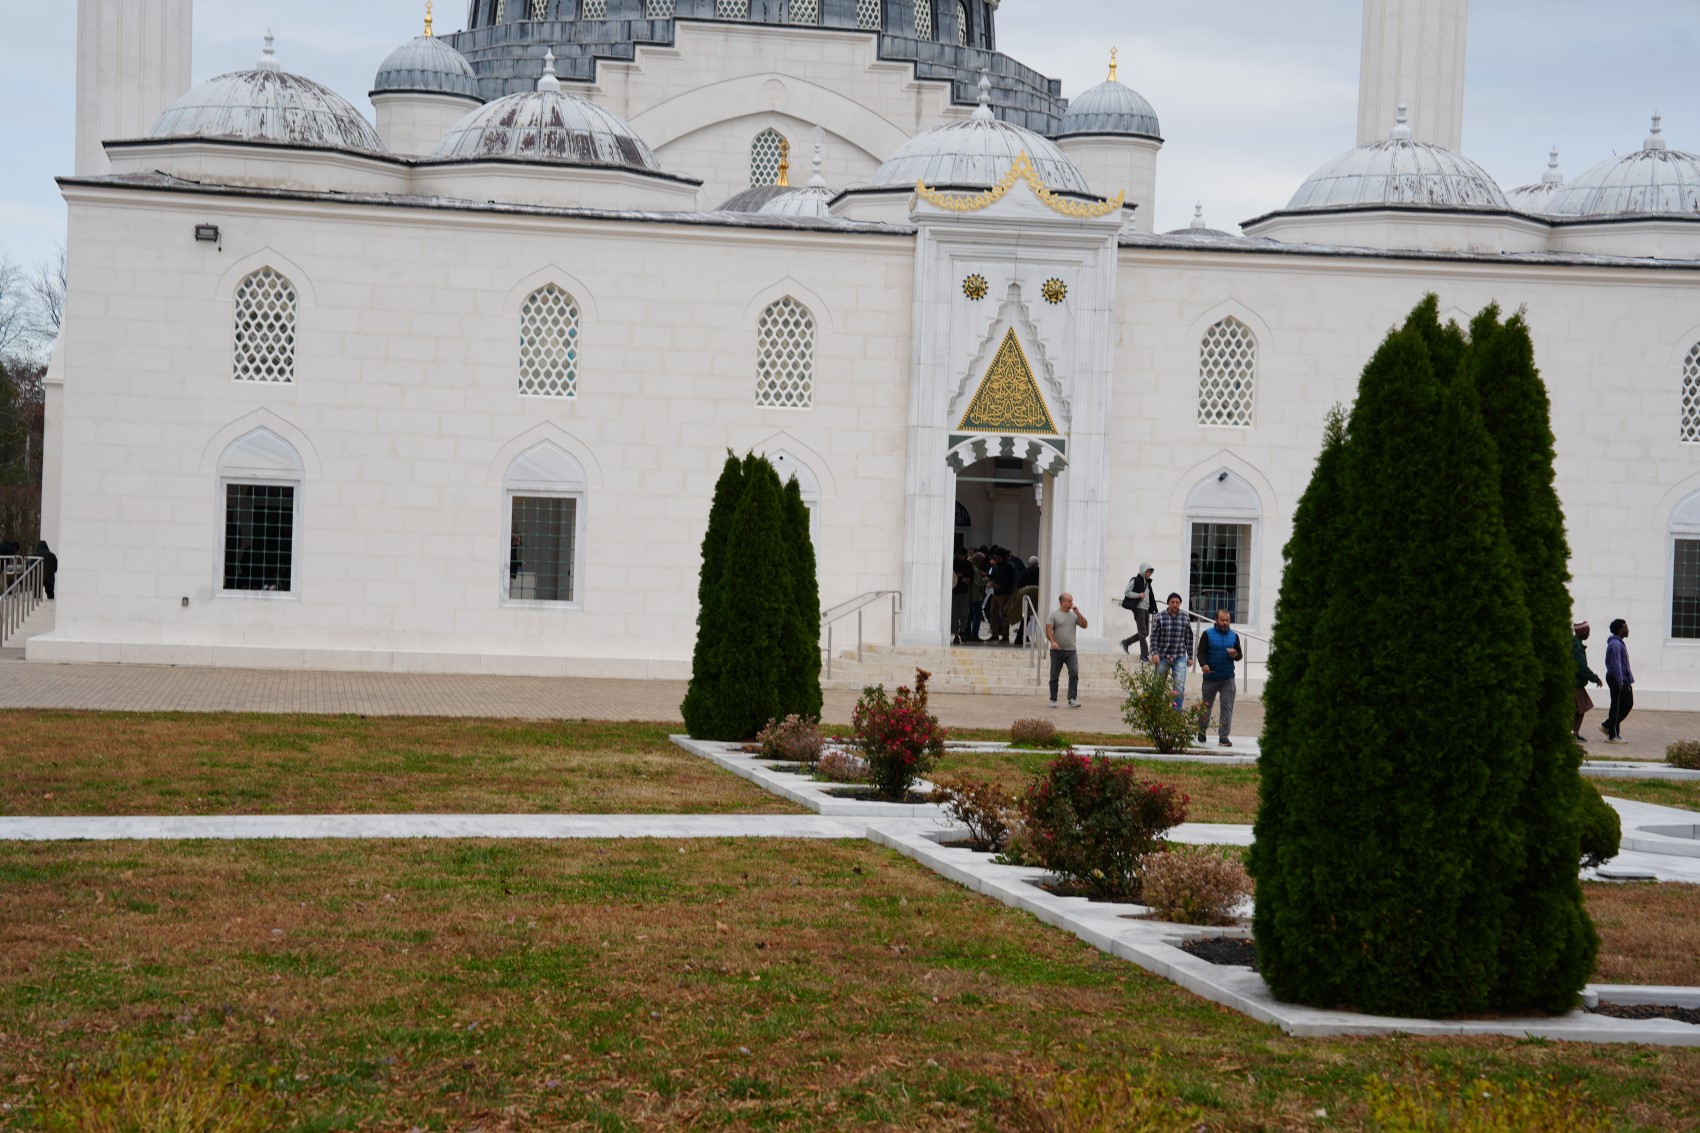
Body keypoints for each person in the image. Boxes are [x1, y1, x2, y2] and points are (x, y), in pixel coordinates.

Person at [1195, 608, 1242, 747]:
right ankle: (1201, 731)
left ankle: (1223, 737)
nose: (1225, 623)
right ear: (1216, 620)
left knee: (1227, 707)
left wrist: (1235, 655)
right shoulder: (1207, 634)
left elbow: (1239, 655)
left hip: (1228, 677)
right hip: (1211, 677)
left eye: (1227, 620)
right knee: (1206, 706)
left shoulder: (1234, 636)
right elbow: (1200, 653)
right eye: (1222, 620)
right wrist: (1204, 665)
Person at [1150, 592, 1194, 710]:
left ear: (1180, 603)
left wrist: (1190, 656)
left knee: (1179, 687)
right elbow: (1154, 637)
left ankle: (1176, 713)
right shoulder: (1159, 617)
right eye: (1172, 602)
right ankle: (1156, 711)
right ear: (1168, 603)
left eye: (1177, 602)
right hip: (1163, 656)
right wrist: (1154, 653)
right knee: (1158, 685)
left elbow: (1189, 638)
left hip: (1179, 656)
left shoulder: (1185, 617)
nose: (1175, 605)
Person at [1045, 591, 1087, 708]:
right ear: (1062, 602)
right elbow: (1048, 630)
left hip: (1071, 651)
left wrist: (1078, 613)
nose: (1071, 603)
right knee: (1054, 676)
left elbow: (1084, 625)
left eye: (1071, 601)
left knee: (1074, 673)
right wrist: (1052, 642)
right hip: (1057, 651)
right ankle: (1053, 699)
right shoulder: (1053, 614)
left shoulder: (1074, 615)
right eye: (1069, 601)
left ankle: (1072, 698)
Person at [1602, 618, 1634, 744]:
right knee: (1622, 705)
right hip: (1617, 679)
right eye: (1625, 628)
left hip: (1620, 678)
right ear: (1619, 630)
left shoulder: (1619, 643)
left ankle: (1612, 731)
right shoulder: (1615, 644)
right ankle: (1610, 731)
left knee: (1621, 705)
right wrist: (1620, 681)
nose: (1628, 629)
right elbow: (1616, 664)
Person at [1572, 620, 1603, 742]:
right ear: (1583, 633)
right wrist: (1595, 679)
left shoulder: (1576, 644)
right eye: (1588, 632)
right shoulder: (1576, 647)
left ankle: (1574, 732)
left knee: (1581, 708)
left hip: (1577, 684)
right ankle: (1572, 732)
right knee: (1580, 708)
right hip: (1575, 684)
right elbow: (1581, 667)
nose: (1589, 635)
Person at [1119, 562, 1156, 660]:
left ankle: (1126, 642)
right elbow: (1127, 592)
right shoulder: (1135, 580)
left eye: (1150, 572)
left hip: (1146, 610)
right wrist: (1138, 595)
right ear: (1143, 570)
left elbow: (1150, 597)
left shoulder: (1147, 583)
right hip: (1139, 609)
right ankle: (1143, 655)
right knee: (1143, 632)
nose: (1149, 574)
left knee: (1145, 632)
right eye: (1147, 571)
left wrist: (1153, 608)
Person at [988, 548, 1018, 644]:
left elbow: (1010, 580)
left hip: (1004, 593)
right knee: (993, 613)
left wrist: (999, 585)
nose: (995, 557)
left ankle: (1005, 636)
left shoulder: (1008, 566)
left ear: (1000, 556)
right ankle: (994, 634)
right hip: (996, 593)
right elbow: (996, 577)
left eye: (996, 556)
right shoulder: (997, 565)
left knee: (1004, 615)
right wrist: (988, 577)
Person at [1011, 555, 1040, 646]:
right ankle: (1033, 637)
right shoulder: (1041, 572)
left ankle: (1020, 637)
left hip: (1027, 597)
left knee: (1025, 617)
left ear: (1029, 563)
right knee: (1038, 617)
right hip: (1039, 596)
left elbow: (1019, 585)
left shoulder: (1025, 572)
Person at [950, 549, 974, 644]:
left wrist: (968, 579)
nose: (963, 557)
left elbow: (972, 577)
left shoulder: (968, 564)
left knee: (965, 613)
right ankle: (956, 634)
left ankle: (962, 630)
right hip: (954, 591)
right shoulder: (953, 563)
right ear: (958, 554)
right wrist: (956, 575)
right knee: (954, 614)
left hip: (964, 591)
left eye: (964, 556)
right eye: (961, 556)